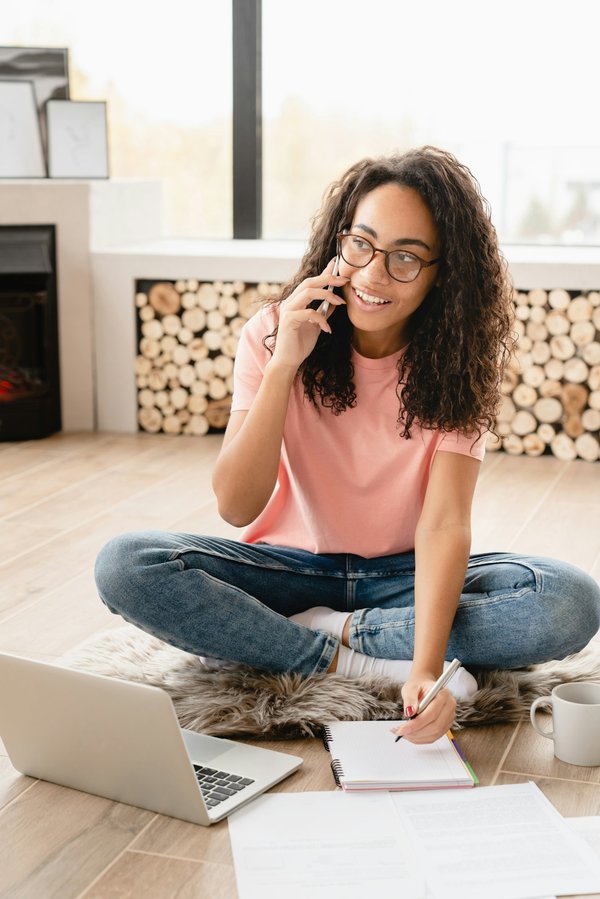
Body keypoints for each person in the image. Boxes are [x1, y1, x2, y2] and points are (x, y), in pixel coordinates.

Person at [95, 146, 600, 745]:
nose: (372, 275)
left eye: (406, 258)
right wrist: (284, 364)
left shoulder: (461, 363)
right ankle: (349, 661)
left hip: (402, 576)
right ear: (340, 241)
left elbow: (444, 523)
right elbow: (236, 506)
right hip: (286, 571)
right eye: (361, 244)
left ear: (443, 273)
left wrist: (425, 668)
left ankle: (316, 634)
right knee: (126, 564)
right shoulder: (273, 333)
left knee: (569, 603)